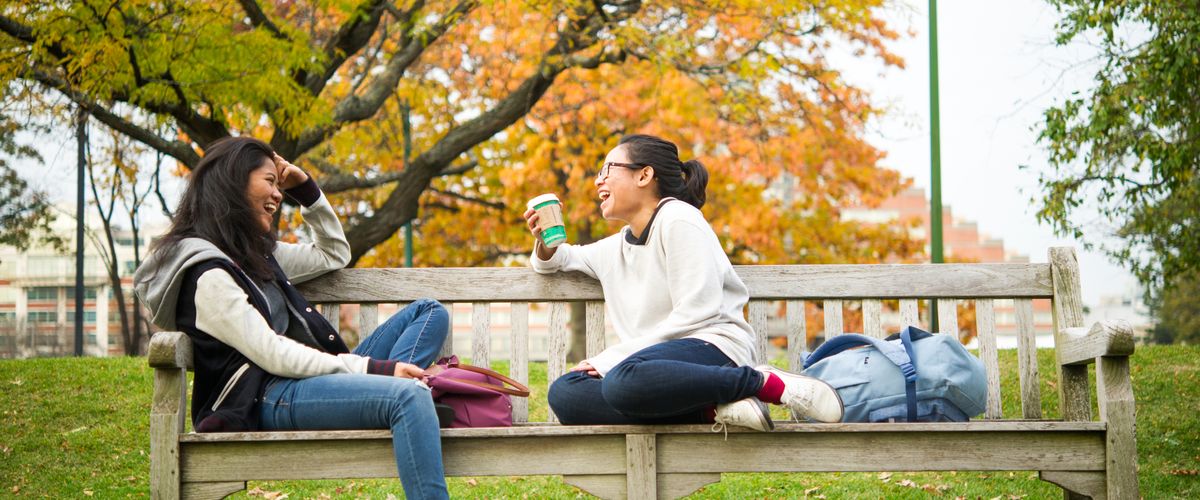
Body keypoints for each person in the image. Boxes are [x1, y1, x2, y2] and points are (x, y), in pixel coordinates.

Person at [134, 137, 449, 498]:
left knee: (428, 312)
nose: (278, 193)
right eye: (270, 181)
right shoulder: (208, 274)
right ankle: (402, 403)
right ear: (233, 182)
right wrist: (374, 371)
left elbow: (333, 254)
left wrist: (305, 188)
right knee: (407, 395)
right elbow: (271, 353)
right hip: (264, 396)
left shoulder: (254, 254)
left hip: (305, 378)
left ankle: (390, 404)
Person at [524, 134, 845, 431]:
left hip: (711, 349)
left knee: (621, 381)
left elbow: (697, 313)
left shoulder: (679, 218)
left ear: (644, 175)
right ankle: (713, 411)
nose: (598, 180)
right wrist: (546, 240)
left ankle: (763, 383)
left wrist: (612, 360)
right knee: (566, 393)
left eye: (608, 169)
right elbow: (555, 261)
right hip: (654, 369)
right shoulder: (617, 247)